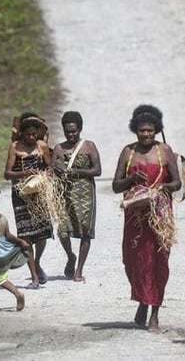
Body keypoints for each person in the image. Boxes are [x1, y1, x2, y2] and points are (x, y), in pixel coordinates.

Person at [111, 104, 181, 332]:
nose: (146, 134)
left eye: (150, 130)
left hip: (160, 217)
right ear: (135, 130)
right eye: (142, 130)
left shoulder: (165, 151)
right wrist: (131, 180)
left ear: (156, 130)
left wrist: (161, 188)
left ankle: (154, 313)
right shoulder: (127, 152)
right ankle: (141, 299)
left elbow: (177, 183)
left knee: (158, 261)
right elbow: (115, 185)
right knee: (134, 261)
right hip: (135, 217)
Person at [52, 111, 102, 282]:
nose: (71, 135)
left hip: (85, 194)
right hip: (64, 195)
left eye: (74, 131)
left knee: (85, 232)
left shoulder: (89, 146)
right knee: (62, 232)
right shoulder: (59, 149)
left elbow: (97, 170)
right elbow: (51, 172)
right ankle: (70, 256)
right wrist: (58, 171)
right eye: (67, 132)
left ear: (80, 129)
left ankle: (79, 269)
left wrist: (77, 171)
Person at [4, 112, 53, 284]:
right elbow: (7, 174)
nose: (31, 137)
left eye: (34, 134)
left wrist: (42, 177)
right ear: (22, 134)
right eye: (28, 134)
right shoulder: (15, 147)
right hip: (20, 195)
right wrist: (25, 174)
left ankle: (37, 262)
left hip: (39, 194)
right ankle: (33, 276)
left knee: (41, 234)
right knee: (26, 235)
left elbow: (50, 168)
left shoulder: (42, 146)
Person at [0, 186, 41, 312]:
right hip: (2, 256)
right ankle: (17, 294)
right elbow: (9, 236)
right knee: (1, 279)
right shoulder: (3, 218)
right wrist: (20, 241)